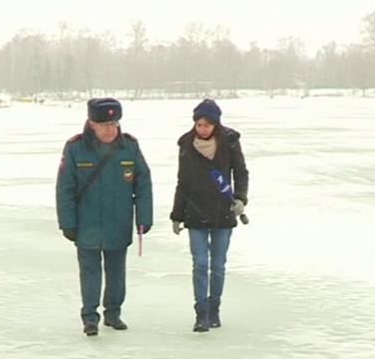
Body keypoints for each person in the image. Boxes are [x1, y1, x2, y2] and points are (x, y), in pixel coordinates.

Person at [55, 97, 153, 336]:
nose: (111, 129)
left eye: (115, 123)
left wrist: (144, 217)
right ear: (92, 124)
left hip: (118, 221)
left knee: (116, 271)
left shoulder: (129, 147)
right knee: (90, 272)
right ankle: (90, 317)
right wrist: (67, 223)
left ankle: (113, 313)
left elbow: (143, 184)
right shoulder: (75, 148)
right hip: (86, 223)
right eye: (105, 124)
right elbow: (64, 187)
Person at [169, 98, 248, 332]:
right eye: (199, 124)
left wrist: (241, 198)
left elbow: (241, 172)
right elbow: (182, 182)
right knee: (200, 264)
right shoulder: (186, 145)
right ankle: (201, 312)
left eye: (207, 125)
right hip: (195, 212)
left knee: (218, 265)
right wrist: (177, 214)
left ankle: (215, 309)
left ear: (216, 125)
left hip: (223, 211)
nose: (202, 129)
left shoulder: (230, 143)